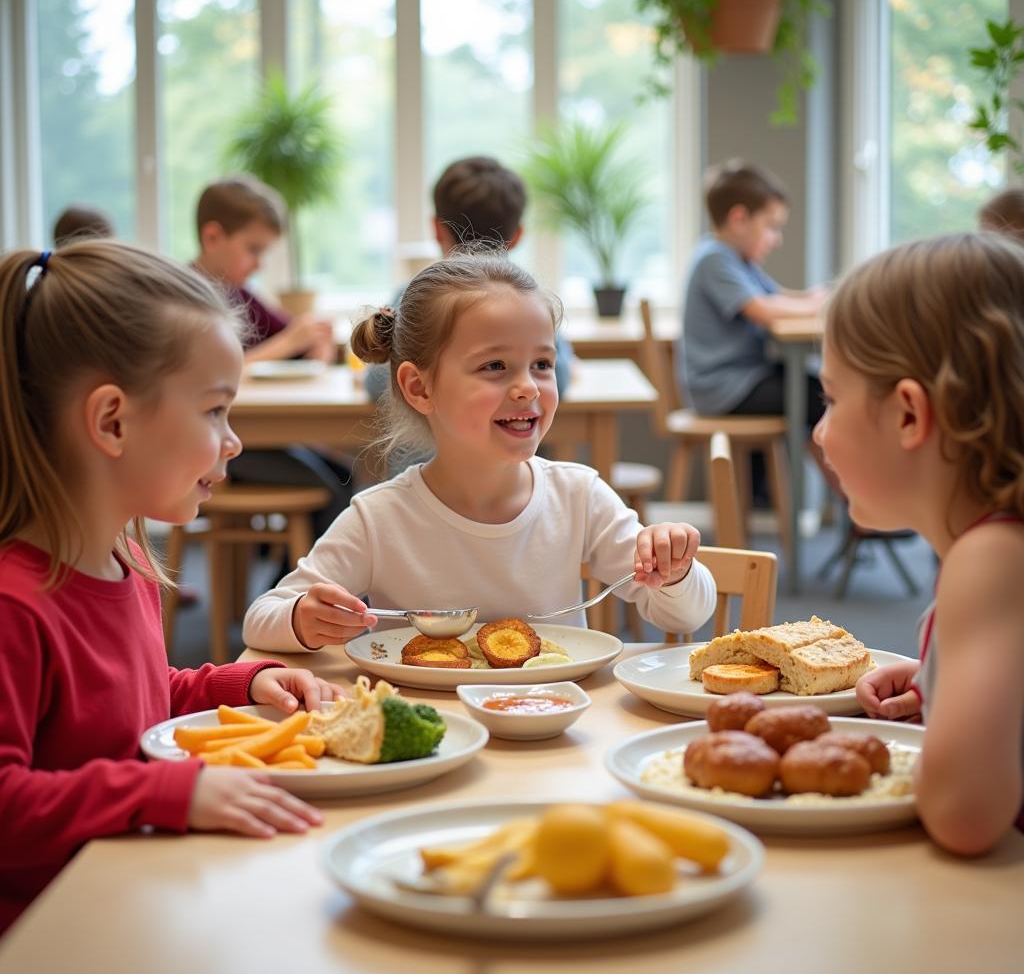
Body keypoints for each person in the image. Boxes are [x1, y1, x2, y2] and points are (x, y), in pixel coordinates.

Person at [0, 239, 343, 935]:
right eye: (215, 410)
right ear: (112, 421)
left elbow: (121, 707)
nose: (234, 441)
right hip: (53, 932)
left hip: (128, 893)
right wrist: (169, 792)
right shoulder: (14, 605)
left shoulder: (120, 559)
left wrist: (232, 686)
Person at [242, 249, 717, 653]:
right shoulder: (380, 517)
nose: (527, 387)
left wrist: (675, 572)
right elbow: (262, 617)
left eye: (542, 364)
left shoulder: (579, 496)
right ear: (419, 387)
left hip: (552, 737)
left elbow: (685, 613)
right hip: (428, 746)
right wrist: (303, 620)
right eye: (495, 366)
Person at [815, 232, 1024, 856]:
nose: (821, 435)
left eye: (831, 398)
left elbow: (963, 817)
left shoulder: (990, 561)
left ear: (909, 414)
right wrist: (940, 674)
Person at [194, 175, 352, 538]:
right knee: (332, 494)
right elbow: (202, 379)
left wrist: (314, 343)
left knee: (345, 475)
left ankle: (294, 578)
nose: (259, 263)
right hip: (223, 445)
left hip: (256, 436)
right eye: (253, 250)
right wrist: (288, 343)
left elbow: (291, 336)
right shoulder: (189, 297)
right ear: (213, 237)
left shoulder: (241, 294)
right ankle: (292, 587)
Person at [365, 157, 574, 404]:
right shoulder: (528, 302)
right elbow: (559, 377)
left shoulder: (413, 298)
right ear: (517, 235)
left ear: (436, 228)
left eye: (540, 364)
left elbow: (378, 384)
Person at [679, 159, 826, 425]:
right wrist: (817, 306)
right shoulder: (714, 258)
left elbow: (777, 296)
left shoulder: (740, 261)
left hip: (743, 379)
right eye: (771, 227)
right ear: (739, 219)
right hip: (723, 388)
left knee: (816, 388)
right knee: (817, 397)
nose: (777, 239)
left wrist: (814, 296)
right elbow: (764, 310)